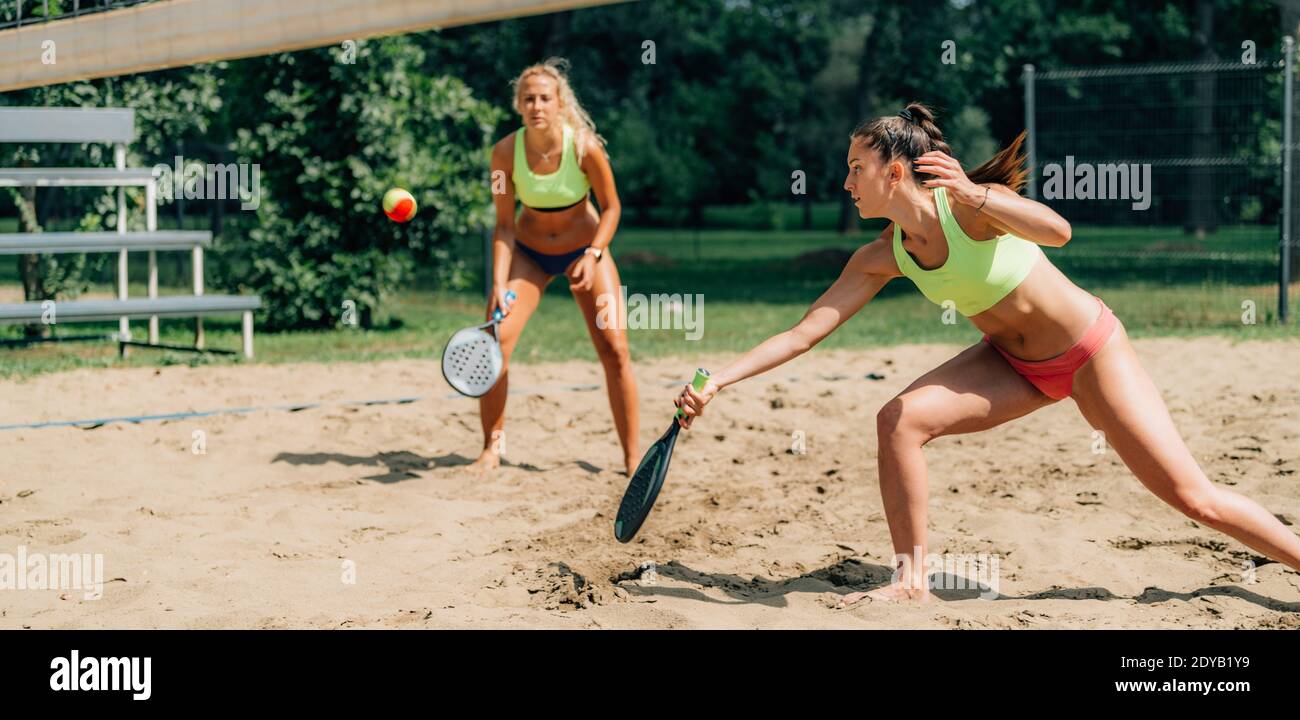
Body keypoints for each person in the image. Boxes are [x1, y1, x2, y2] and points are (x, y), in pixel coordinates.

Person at [673, 102, 1300, 604]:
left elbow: (1060, 231)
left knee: (1194, 499)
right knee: (898, 420)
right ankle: (911, 578)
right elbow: (804, 330)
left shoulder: (967, 210)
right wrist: (719, 381)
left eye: (855, 167)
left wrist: (976, 194)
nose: (845, 182)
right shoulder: (881, 255)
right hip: (1011, 364)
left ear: (895, 171)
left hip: (1091, 354)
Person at [471, 58, 639, 476]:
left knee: (615, 350)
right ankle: (491, 449)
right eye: (528, 98)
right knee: (494, 346)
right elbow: (505, 226)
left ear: (559, 102)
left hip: (585, 249)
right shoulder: (504, 154)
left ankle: (632, 457)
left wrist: (595, 252)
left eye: (545, 98)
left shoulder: (585, 148)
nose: (536, 105)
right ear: (518, 104)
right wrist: (496, 280)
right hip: (528, 253)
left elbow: (613, 208)